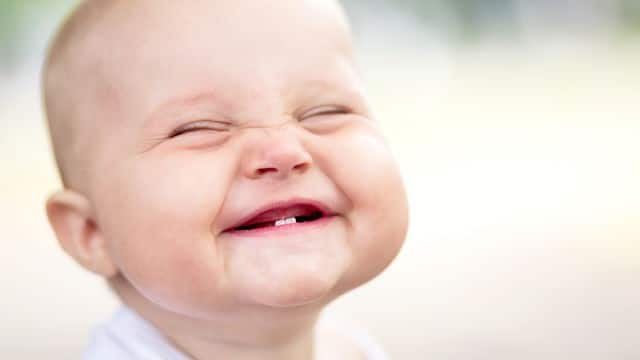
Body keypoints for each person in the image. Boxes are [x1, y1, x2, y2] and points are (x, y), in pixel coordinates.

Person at [42, 0, 409, 359]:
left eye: (326, 111)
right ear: (92, 232)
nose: (284, 152)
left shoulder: (354, 348)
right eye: (197, 128)